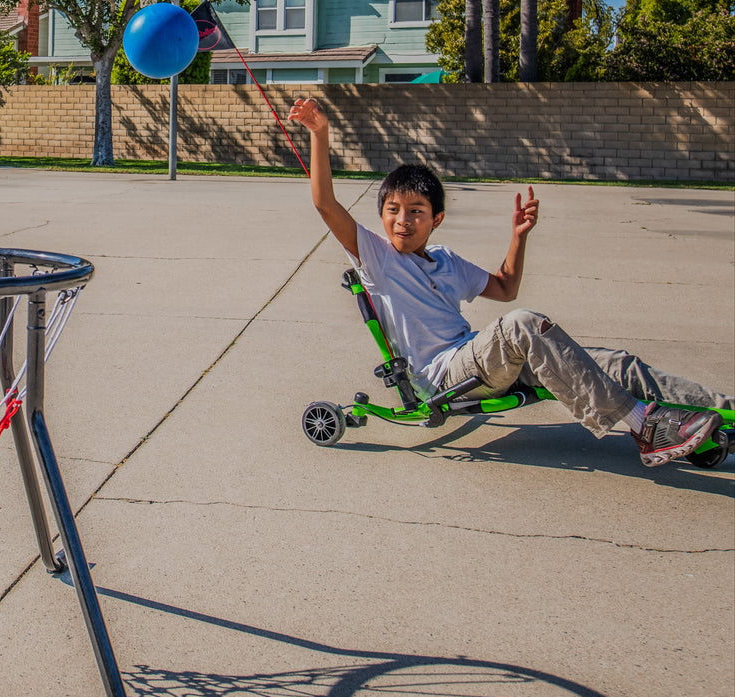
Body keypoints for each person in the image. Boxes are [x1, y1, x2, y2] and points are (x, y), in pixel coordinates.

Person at [287, 97, 731, 467]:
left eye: (416, 211)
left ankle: (723, 415)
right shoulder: (376, 257)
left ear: (436, 218)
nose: (402, 221)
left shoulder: (446, 260)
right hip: (447, 376)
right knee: (522, 324)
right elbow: (325, 202)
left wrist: (518, 239)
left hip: (482, 360)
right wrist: (320, 134)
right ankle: (644, 426)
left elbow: (504, 288)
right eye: (393, 210)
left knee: (619, 364)